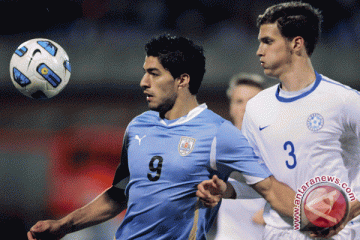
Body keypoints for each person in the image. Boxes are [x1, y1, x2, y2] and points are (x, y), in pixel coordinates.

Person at [27, 34, 296, 240]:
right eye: (145, 72)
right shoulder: (138, 127)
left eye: (154, 73)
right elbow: (119, 194)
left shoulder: (218, 133)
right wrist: (63, 226)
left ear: (182, 80)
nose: (144, 82)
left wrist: (322, 221)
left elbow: (271, 189)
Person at [197, 2, 360, 239]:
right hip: (279, 233)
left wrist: (350, 209)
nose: (259, 50)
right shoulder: (257, 108)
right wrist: (228, 189)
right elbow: (260, 183)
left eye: (268, 41)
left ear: (296, 43)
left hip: (338, 233)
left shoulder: (344, 101)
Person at [209, 73, 267, 240]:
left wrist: (275, 213)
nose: (245, 108)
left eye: (252, 102)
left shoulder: (278, 148)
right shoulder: (214, 145)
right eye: (239, 101)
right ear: (231, 107)